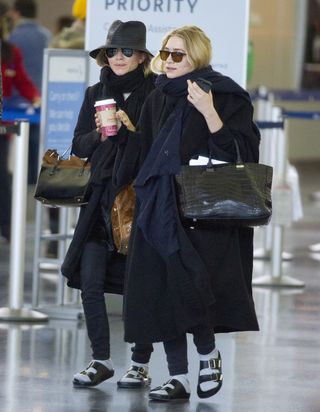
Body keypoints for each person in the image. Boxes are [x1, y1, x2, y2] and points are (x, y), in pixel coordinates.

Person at [115, 25, 261, 402]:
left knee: (193, 287)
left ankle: (208, 355)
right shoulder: (157, 97)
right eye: (165, 54)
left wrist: (210, 112)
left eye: (177, 54)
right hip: (157, 206)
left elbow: (241, 154)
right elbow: (147, 152)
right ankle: (178, 375)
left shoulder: (225, 94)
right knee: (160, 291)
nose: (168, 61)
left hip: (200, 212)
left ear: (197, 57)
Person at [61, 20, 156, 388]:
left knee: (140, 283)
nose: (119, 57)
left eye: (127, 51)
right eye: (113, 51)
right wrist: (101, 133)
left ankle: (140, 362)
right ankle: (100, 358)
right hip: (99, 200)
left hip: (138, 200)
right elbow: (79, 145)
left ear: (142, 57)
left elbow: (156, 148)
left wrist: (131, 130)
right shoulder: (94, 92)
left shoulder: (154, 94)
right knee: (90, 281)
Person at [0, 10, 40, 242]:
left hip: (3, 127)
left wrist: (36, 97)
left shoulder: (10, 51)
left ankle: (7, 226)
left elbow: (22, 81)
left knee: (3, 178)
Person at [8, 0, 51, 184]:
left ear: (16, 13)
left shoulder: (12, 38)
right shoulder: (47, 36)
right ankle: (34, 181)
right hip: (40, 100)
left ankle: (20, 181)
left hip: (15, 104)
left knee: (18, 148)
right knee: (36, 146)